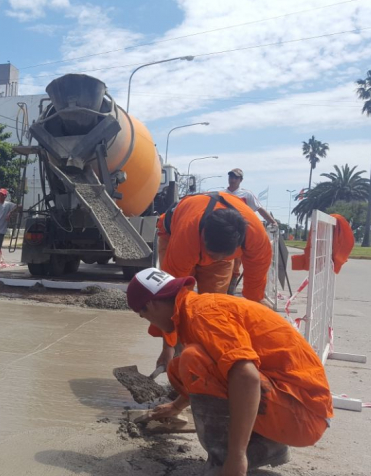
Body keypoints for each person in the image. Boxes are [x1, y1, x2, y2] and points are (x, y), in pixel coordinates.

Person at [126, 268, 332, 475]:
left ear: (151, 305)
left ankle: (230, 457)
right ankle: (264, 445)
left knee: (192, 359)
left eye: (144, 315)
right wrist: (176, 406)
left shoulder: (203, 315)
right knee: (180, 367)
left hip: (303, 416)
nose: (150, 322)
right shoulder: (196, 307)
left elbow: (247, 377)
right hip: (296, 403)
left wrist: (236, 457)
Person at [155, 191, 272, 368]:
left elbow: (254, 294)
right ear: (203, 236)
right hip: (174, 233)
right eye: (211, 254)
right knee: (181, 304)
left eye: (221, 256)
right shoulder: (186, 237)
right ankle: (180, 362)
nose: (213, 260)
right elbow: (171, 298)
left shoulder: (256, 240)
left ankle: (207, 361)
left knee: (212, 309)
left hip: (215, 247)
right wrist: (167, 347)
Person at [224, 168, 278, 294]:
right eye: (231, 176)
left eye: (236, 177)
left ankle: (231, 292)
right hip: (223, 231)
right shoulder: (222, 194)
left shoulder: (246, 194)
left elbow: (259, 208)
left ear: (240, 180)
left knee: (236, 263)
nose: (232, 179)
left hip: (238, 233)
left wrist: (272, 222)